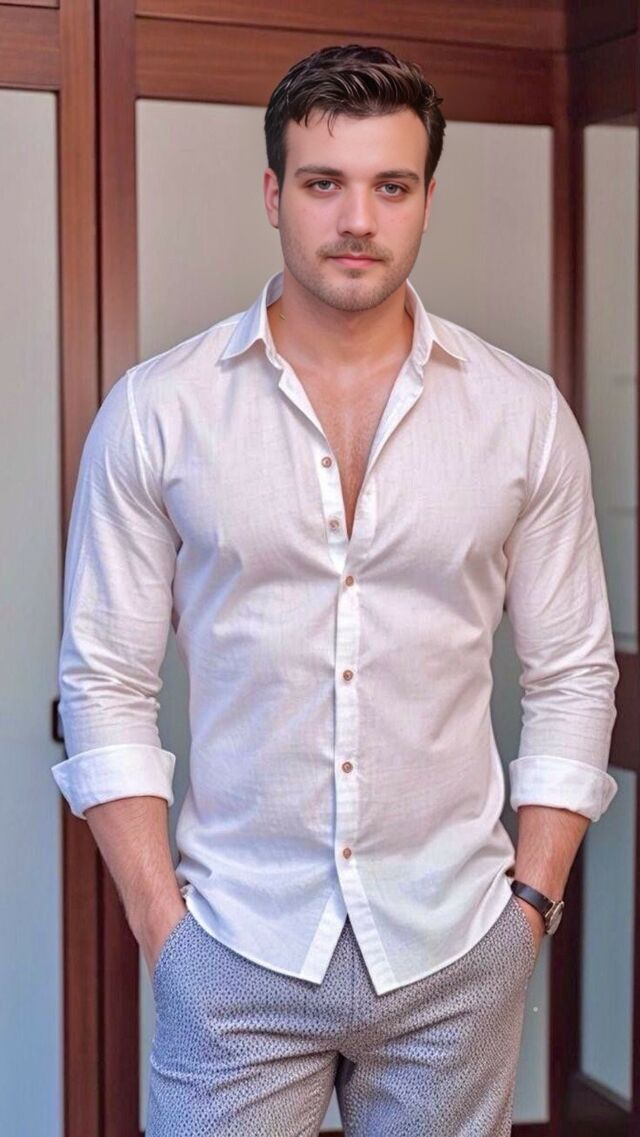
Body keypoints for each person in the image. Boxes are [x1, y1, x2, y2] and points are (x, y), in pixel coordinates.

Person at [51, 42, 619, 1137]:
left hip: (458, 946)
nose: (357, 219)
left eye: (391, 186)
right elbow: (104, 679)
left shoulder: (522, 415)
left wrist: (527, 913)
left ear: (427, 199)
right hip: (235, 945)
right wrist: (166, 931)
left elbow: (572, 673)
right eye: (324, 183)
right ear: (274, 194)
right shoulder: (159, 411)